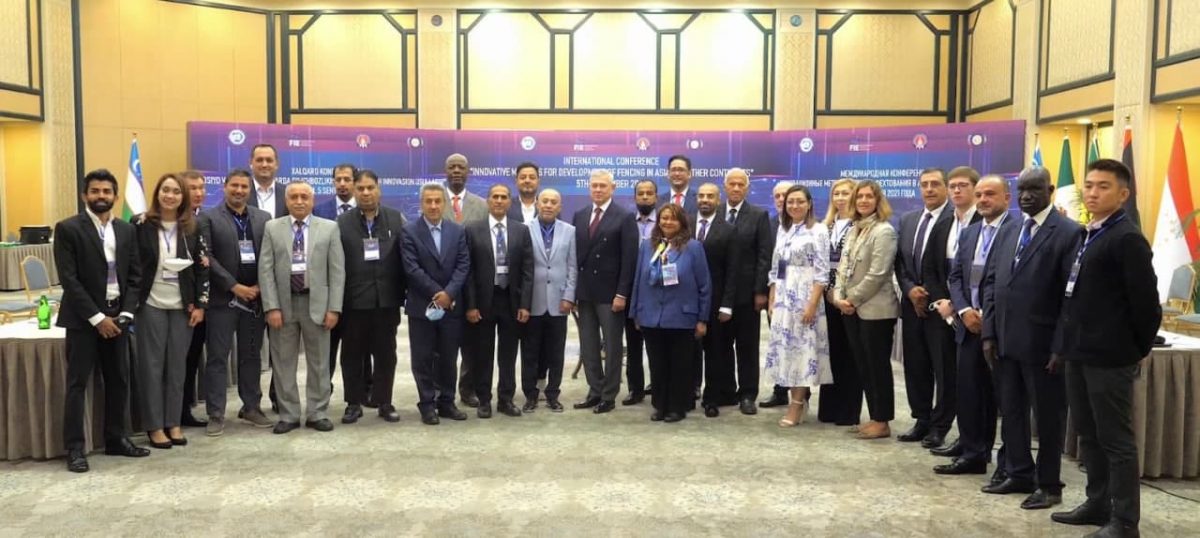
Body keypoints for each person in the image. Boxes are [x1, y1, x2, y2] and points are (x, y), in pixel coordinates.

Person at [1051, 159, 1160, 538]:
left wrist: (1134, 349)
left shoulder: (1126, 238)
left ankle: (1125, 521)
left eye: (1103, 186)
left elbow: (1146, 305)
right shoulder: (1090, 233)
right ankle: (1097, 503)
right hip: (1080, 353)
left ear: (1123, 194)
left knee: (1116, 440)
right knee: (1088, 434)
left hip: (1110, 357)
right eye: (1089, 185)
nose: (1093, 193)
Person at [981, 166, 1080, 508]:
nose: (1025, 196)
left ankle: (1049, 485)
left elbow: (1071, 297)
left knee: (1048, 418)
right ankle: (1019, 472)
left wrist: (1060, 346)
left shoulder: (1068, 232)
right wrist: (989, 333)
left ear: (1050, 191)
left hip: (1043, 347)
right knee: (1011, 412)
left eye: (1034, 189)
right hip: (1005, 341)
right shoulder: (1010, 229)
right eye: (1021, 189)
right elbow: (992, 283)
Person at [55, 168, 150, 472]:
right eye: (95, 191)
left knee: (118, 381)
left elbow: (135, 276)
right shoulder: (68, 229)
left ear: (115, 196)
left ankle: (115, 439)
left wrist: (125, 314)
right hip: (83, 320)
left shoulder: (126, 230)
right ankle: (75, 448)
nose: (101, 196)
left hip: (118, 318)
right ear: (85, 195)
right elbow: (69, 280)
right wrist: (97, 319)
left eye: (106, 191)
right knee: (78, 384)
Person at [932, 175, 1014, 477]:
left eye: (990, 194)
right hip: (968, 325)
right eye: (979, 195)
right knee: (969, 393)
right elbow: (955, 277)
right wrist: (965, 310)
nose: (983, 200)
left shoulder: (1016, 230)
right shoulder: (970, 233)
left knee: (1003, 398)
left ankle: (1010, 463)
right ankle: (972, 454)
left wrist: (986, 315)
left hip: (1000, 327)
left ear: (1007, 197)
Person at [259, 181, 345, 434]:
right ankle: (288, 414)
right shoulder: (272, 228)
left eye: (304, 197)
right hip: (283, 305)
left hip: (317, 304)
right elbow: (265, 270)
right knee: (283, 363)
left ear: (312, 200)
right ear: (286, 201)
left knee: (319, 363)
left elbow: (337, 272)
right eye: (294, 197)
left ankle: (317, 413)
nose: (299, 201)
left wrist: (334, 308)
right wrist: (271, 307)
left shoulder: (329, 228)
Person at [132, 173, 209, 449]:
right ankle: (154, 426)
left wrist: (201, 304)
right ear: (157, 193)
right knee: (152, 367)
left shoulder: (192, 227)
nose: (170, 195)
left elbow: (203, 267)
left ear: (182, 197)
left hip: (183, 307)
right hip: (150, 304)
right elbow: (132, 264)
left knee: (177, 368)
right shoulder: (140, 224)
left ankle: (173, 422)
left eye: (176, 191)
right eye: (165, 190)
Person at [198, 169, 274, 435]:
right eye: (235, 186)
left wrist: (259, 287)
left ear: (250, 190)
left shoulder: (263, 218)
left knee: (251, 356)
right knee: (218, 357)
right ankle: (216, 413)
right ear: (225, 186)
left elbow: (269, 255)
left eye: (244, 186)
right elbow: (206, 257)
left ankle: (251, 406)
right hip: (223, 301)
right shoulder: (208, 217)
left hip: (254, 301)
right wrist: (234, 286)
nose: (239, 190)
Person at [336, 169, 407, 424]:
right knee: (352, 355)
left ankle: (384, 401)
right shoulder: (342, 223)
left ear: (379, 189)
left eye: (370, 188)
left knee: (386, 354)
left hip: (386, 301)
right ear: (354, 191)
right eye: (361, 189)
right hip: (354, 301)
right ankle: (353, 403)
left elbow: (405, 258)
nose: (366, 193)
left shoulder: (395, 219)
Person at [629, 203, 711, 423]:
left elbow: (704, 285)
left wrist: (702, 319)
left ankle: (677, 407)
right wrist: (636, 311)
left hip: (682, 317)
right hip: (650, 316)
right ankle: (660, 405)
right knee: (657, 365)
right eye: (664, 218)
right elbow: (638, 280)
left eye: (673, 218)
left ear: (682, 222)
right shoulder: (647, 246)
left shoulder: (693, 247)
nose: (667, 222)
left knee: (679, 365)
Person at [921, 166, 982, 453]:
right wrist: (942, 302)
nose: (957, 190)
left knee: (971, 380)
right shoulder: (944, 223)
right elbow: (930, 269)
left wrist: (960, 306)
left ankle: (971, 439)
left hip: (974, 313)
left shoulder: (985, 222)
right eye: (954, 186)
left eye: (963, 186)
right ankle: (941, 427)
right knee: (944, 372)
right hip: (943, 311)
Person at [832, 180, 899, 440]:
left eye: (869, 197)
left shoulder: (884, 231)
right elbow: (843, 266)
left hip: (875, 311)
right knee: (864, 366)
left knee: (877, 366)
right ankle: (874, 417)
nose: (863, 201)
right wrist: (838, 297)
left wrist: (851, 299)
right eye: (859, 197)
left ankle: (882, 421)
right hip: (851, 308)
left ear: (878, 201)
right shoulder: (855, 229)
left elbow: (878, 274)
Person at [402, 182, 471, 425]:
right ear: (421, 204)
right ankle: (427, 404)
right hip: (422, 306)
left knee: (448, 357)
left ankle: (447, 402)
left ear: (444, 204)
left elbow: (463, 265)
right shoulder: (409, 231)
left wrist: (449, 294)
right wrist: (437, 293)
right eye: (428, 201)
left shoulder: (457, 230)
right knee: (423, 358)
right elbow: (411, 268)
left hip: (451, 307)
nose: (433, 206)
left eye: (437, 201)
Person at [463, 184, 534, 418]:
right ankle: (484, 400)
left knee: (508, 354)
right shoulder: (473, 230)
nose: (499, 201)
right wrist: (471, 305)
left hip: (511, 301)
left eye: (504, 197)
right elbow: (468, 271)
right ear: (488, 200)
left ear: (510, 202)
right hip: (484, 301)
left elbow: (527, 270)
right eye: (495, 197)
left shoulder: (521, 230)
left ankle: (506, 399)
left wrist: (525, 304)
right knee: (483, 353)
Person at [895, 168, 954, 446]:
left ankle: (940, 425)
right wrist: (910, 290)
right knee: (915, 365)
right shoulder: (908, 220)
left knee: (943, 368)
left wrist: (929, 296)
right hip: (911, 304)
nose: (929, 189)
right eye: (924, 184)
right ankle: (921, 419)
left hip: (942, 307)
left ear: (946, 187)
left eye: (935, 184)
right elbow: (900, 263)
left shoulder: (955, 218)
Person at [571, 169, 638, 414]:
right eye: (594, 185)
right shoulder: (579, 215)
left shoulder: (624, 217)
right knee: (588, 345)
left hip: (611, 294)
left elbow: (629, 259)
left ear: (613, 188)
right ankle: (594, 390)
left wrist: (622, 294)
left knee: (612, 346)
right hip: (585, 292)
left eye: (603, 185)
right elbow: (574, 257)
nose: (598, 189)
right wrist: (573, 292)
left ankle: (609, 395)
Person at [764, 185, 831, 427]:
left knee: (802, 352)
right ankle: (796, 400)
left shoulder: (819, 230)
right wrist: (773, 297)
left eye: (799, 201)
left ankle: (796, 404)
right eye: (790, 201)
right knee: (788, 352)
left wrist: (812, 304)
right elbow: (777, 267)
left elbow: (822, 272)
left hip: (805, 297)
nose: (794, 205)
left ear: (809, 203)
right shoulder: (784, 229)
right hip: (784, 299)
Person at [716, 168, 772, 415]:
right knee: (721, 345)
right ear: (725, 187)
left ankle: (748, 394)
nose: (736, 188)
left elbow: (764, 255)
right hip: (719, 294)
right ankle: (727, 390)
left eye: (741, 184)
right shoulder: (715, 212)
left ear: (747, 189)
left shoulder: (759, 215)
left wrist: (760, 291)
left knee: (747, 347)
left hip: (748, 295)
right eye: (732, 184)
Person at [521, 189, 576, 412]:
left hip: (558, 302)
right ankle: (530, 395)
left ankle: (553, 394)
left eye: (554, 202)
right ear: (537, 203)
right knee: (530, 352)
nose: (548, 205)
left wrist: (569, 296)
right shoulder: (524, 229)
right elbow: (521, 267)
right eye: (545, 201)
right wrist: (522, 302)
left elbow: (572, 266)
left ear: (559, 207)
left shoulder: (569, 231)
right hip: (532, 302)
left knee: (556, 353)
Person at [817, 178, 862, 426]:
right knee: (830, 352)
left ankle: (848, 411)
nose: (841, 198)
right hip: (825, 296)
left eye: (846, 193)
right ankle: (829, 409)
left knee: (850, 354)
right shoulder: (825, 226)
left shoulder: (860, 226)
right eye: (837, 193)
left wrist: (844, 294)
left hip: (849, 297)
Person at [443, 153, 486, 407]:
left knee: (472, 345)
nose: (457, 171)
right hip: (443, 286)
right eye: (452, 167)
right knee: (443, 346)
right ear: (445, 171)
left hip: (473, 286)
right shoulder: (434, 201)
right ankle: (442, 390)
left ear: (468, 172)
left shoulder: (481, 205)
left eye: (461, 167)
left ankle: (468, 389)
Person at [314, 163, 360, 393]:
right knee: (326, 348)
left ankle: (361, 392)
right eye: (338, 179)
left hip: (357, 290)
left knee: (357, 348)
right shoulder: (319, 210)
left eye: (347, 179)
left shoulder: (365, 210)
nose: (342, 184)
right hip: (327, 291)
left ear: (355, 182)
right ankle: (323, 389)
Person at [694, 183, 737, 417]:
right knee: (688, 352)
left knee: (714, 352)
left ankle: (712, 398)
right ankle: (687, 394)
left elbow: (732, 271)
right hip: (686, 301)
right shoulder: (685, 225)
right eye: (701, 196)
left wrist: (727, 304)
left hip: (716, 300)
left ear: (718, 200)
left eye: (710, 196)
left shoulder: (728, 230)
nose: (705, 199)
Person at [762, 179, 796, 409]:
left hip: (800, 293)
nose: (782, 200)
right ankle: (780, 390)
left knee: (798, 344)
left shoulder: (810, 226)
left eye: (787, 195)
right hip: (775, 291)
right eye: (778, 196)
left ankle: (800, 394)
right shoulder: (769, 223)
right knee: (778, 343)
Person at [179, 169, 209, 428]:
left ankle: (184, 409)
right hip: (171, 304)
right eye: (192, 188)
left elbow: (204, 265)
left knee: (191, 359)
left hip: (199, 305)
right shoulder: (165, 222)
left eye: (201, 188)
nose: (198, 193)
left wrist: (201, 303)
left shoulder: (202, 220)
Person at [624, 179, 658, 406]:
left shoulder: (665, 221)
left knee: (656, 344)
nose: (645, 197)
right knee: (633, 343)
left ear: (656, 196)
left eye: (649, 193)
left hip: (657, 292)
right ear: (635, 197)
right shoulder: (626, 222)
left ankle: (658, 385)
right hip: (630, 291)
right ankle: (635, 389)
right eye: (640, 193)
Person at [247, 143, 286, 217]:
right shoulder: (242, 192)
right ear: (251, 163)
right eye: (259, 160)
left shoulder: (287, 193)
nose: (264, 165)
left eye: (269, 160)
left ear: (277, 164)